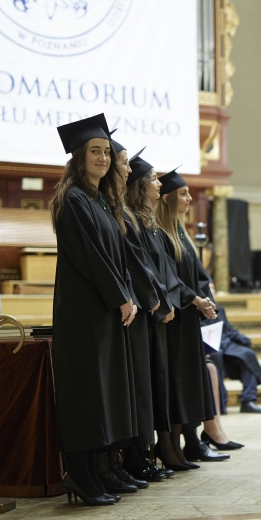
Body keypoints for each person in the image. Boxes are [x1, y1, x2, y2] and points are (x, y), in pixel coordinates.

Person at [49, 114, 134, 506]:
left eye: (106, 152)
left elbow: (118, 258)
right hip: (84, 311)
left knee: (101, 393)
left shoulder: (101, 201)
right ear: (79, 157)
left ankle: (95, 473)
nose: (102, 157)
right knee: (85, 394)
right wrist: (120, 297)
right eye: (94, 151)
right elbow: (92, 257)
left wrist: (125, 295)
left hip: (102, 310)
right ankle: (80, 476)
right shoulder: (74, 199)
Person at [155, 169, 229, 466]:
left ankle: (193, 439)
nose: (188, 198)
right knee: (178, 381)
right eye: (183, 193)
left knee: (191, 379)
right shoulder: (160, 233)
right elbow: (168, 278)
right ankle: (179, 443)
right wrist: (194, 300)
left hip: (189, 320)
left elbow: (199, 274)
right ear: (167, 198)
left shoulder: (181, 232)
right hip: (174, 319)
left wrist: (205, 300)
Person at [116, 147, 176, 485]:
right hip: (139, 311)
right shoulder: (127, 216)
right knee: (140, 386)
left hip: (150, 309)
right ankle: (136, 457)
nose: (158, 183)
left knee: (149, 386)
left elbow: (154, 268)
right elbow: (137, 266)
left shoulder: (144, 220)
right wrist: (155, 301)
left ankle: (145, 455)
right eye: (152, 178)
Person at [202, 280, 261, 414]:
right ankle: (221, 401)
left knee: (247, 354)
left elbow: (230, 330)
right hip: (209, 347)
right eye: (208, 288)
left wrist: (241, 338)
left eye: (213, 288)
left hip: (226, 344)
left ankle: (248, 400)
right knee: (216, 356)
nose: (212, 291)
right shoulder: (194, 310)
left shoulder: (219, 308)